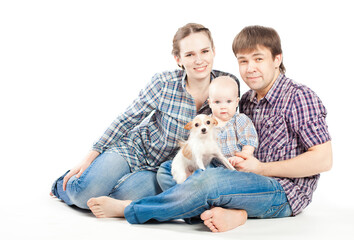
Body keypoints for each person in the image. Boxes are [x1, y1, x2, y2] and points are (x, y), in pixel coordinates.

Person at [86, 25, 333, 233]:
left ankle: (130, 209)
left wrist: (260, 168)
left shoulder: (299, 97)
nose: (250, 68)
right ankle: (229, 212)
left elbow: (323, 159)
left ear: (277, 59)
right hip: (242, 179)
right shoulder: (244, 100)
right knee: (170, 168)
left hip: (282, 191)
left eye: (259, 59)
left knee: (209, 180)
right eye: (243, 61)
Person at [50, 23, 239, 210]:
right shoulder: (163, 83)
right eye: (190, 54)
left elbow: (230, 131)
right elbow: (128, 118)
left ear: (214, 51)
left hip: (162, 170)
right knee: (84, 195)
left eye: (204, 51)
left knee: (110, 199)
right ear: (178, 59)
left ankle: (97, 181)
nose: (199, 60)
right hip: (136, 149)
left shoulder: (227, 85)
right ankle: (62, 185)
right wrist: (90, 156)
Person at [157, 75, 258, 191]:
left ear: (237, 102)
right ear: (210, 103)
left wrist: (242, 156)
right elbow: (194, 143)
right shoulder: (204, 121)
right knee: (165, 169)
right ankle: (187, 192)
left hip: (235, 166)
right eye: (217, 102)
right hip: (211, 165)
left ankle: (194, 195)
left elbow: (250, 142)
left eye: (229, 101)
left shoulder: (240, 120)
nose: (223, 107)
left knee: (211, 182)